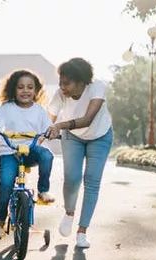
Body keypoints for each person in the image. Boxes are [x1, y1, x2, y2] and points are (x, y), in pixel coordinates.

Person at [47, 57, 113, 248]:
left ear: (82, 82)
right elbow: (48, 118)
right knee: (72, 178)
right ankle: (69, 212)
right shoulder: (60, 94)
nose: (62, 87)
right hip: (72, 138)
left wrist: (59, 125)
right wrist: (44, 132)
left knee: (92, 181)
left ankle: (82, 232)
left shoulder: (97, 88)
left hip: (100, 136)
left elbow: (87, 120)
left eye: (66, 83)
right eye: (60, 82)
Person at [0, 70, 55, 240]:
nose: (25, 91)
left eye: (30, 87)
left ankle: (42, 191)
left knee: (47, 155)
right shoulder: (6, 108)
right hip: (10, 152)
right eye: (21, 87)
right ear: (13, 89)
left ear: (36, 90)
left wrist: (51, 132)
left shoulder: (39, 110)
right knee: (6, 184)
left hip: (30, 151)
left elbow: (48, 128)